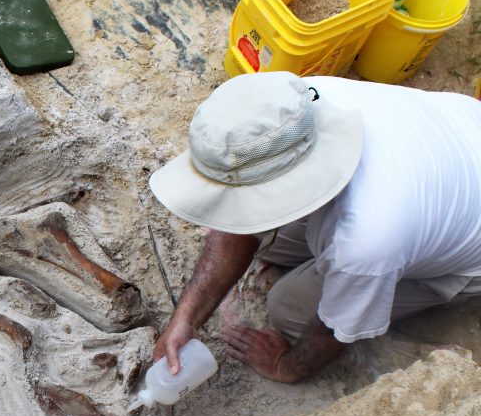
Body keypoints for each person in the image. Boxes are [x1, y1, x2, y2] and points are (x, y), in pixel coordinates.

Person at [148, 71, 481, 383]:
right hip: (458, 130)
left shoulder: (369, 238)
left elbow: (335, 329)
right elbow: (238, 213)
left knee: (288, 308)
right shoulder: (285, 113)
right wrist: (186, 319)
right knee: (264, 239)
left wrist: (286, 367)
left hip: (465, 250)